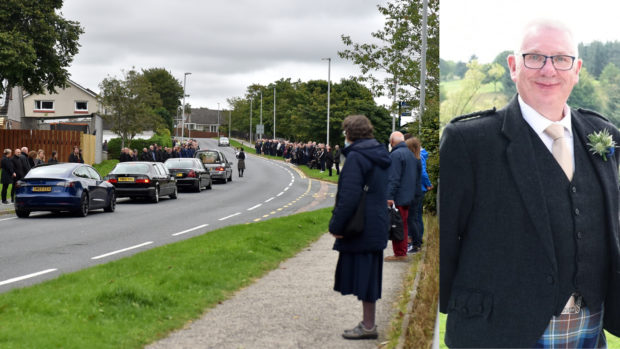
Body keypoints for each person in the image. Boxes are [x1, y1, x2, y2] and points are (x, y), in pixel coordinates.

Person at [440, 20, 620, 348]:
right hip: (502, 330)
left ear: (576, 69)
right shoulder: (469, 141)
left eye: (561, 59)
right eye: (535, 57)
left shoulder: (604, 135)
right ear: (513, 66)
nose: (548, 70)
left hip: (589, 329)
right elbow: (446, 236)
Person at [328, 114, 391, 340]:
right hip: (376, 223)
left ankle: (368, 327)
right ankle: (368, 324)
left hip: (360, 226)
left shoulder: (356, 157)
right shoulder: (380, 154)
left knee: (365, 276)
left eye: (345, 132)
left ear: (350, 133)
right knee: (370, 276)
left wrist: (336, 225)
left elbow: (349, 196)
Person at [385, 131, 417, 261]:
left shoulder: (396, 155)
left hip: (399, 196)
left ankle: (399, 253)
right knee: (403, 224)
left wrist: (389, 196)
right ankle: (402, 251)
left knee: (397, 225)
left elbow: (393, 178)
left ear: (392, 142)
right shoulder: (410, 154)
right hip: (408, 195)